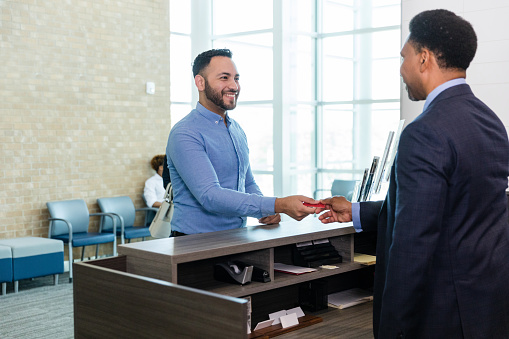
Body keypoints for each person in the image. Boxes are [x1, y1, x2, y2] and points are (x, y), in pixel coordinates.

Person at [318, 9, 509, 338]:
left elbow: (413, 245)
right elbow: (452, 207)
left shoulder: (426, 131)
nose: (401, 68)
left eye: (404, 57)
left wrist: (393, 330)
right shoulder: (490, 122)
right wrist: (356, 210)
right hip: (486, 308)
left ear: (424, 58)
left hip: (443, 315)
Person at [166, 48, 318, 236]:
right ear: (200, 82)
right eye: (224, 78)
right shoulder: (185, 132)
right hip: (194, 243)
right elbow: (210, 196)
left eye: (236, 78)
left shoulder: (235, 129)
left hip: (236, 237)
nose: (234, 86)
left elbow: (246, 182)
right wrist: (278, 204)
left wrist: (267, 211)